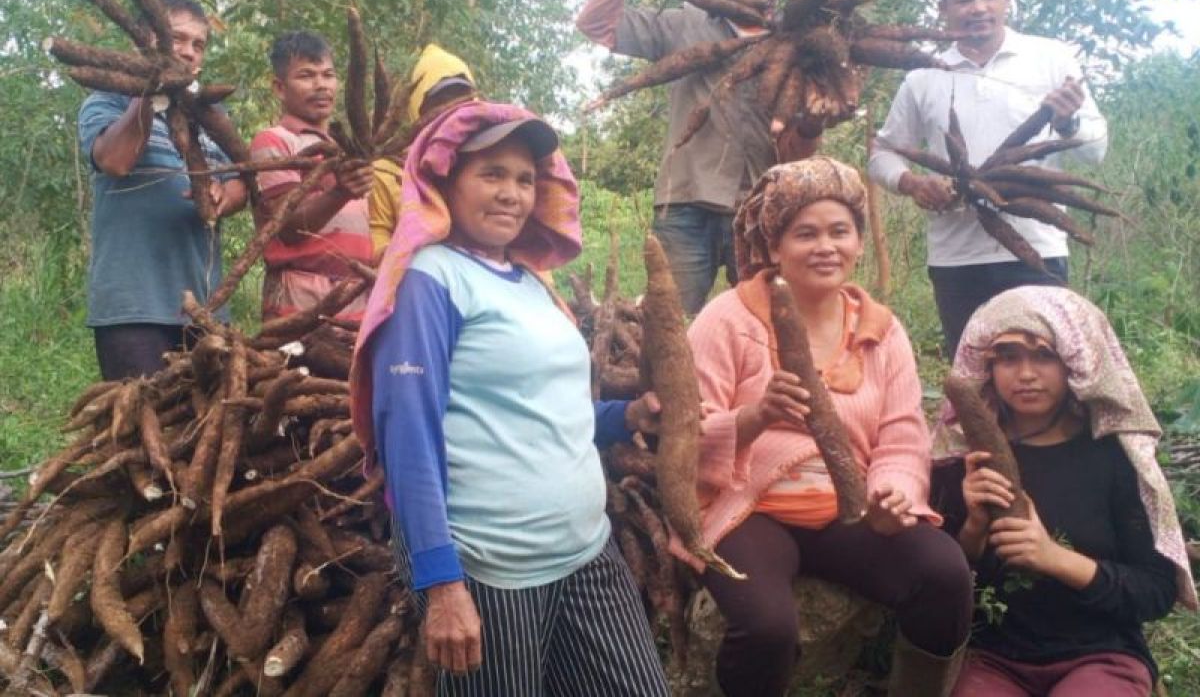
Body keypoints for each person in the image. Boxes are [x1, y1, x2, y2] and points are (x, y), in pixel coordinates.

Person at [349, 100, 669, 695]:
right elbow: (408, 437)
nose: (511, 194)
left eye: (524, 179)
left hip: (585, 553)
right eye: (490, 174)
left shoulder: (531, 283)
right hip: (491, 570)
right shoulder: (431, 280)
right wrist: (442, 584)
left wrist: (624, 416)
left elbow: (543, 408)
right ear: (447, 181)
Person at [679, 156, 973, 697]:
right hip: (749, 507)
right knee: (768, 627)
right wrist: (753, 417)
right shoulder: (729, 318)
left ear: (859, 241)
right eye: (804, 233)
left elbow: (903, 436)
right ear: (773, 247)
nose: (825, 246)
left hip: (850, 508)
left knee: (944, 575)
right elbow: (683, 437)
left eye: (841, 231)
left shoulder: (882, 331)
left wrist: (894, 498)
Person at [934, 286, 1198, 695]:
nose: (1025, 374)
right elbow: (942, 587)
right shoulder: (970, 460)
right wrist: (973, 526)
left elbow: (1156, 592)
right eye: (1007, 357)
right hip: (994, 658)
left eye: (1044, 355)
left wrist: (1054, 558)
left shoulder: (1115, 459)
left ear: (1077, 362)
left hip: (1100, 654)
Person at [868, 0, 1108, 356]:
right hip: (956, 259)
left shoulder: (1051, 58)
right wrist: (910, 183)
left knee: (1045, 377)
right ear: (943, 6)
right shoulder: (924, 76)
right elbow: (881, 153)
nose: (977, 7)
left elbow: (1095, 150)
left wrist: (1068, 122)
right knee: (972, 382)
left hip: (1039, 250)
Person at [577, 0, 823, 314]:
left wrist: (812, 124)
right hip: (686, 205)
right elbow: (595, 24)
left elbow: (796, 151)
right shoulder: (686, 25)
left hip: (761, 208)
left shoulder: (799, 44)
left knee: (767, 325)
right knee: (668, 325)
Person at [79, 0, 247, 380]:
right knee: (142, 424)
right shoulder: (105, 101)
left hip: (205, 307)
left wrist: (224, 197)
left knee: (209, 428)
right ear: (145, 40)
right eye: (176, 39)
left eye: (198, 44)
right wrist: (149, 97)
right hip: (133, 307)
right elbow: (115, 160)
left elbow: (242, 181)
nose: (188, 52)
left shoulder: (212, 115)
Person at [250, 31, 373, 322]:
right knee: (299, 366)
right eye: (306, 76)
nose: (321, 85)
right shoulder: (274, 141)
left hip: (357, 294)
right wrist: (340, 192)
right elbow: (287, 227)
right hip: (299, 293)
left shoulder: (349, 149)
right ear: (280, 88)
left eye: (328, 75)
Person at [369, 43, 478, 260]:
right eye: (440, 102)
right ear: (418, 109)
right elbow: (377, 245)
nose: (453, 110)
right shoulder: (387, 172)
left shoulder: (492, 165)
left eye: (462, 99)